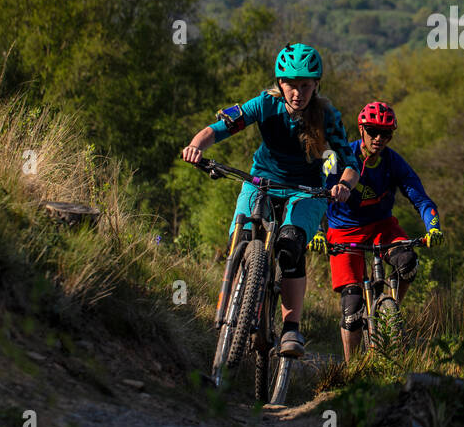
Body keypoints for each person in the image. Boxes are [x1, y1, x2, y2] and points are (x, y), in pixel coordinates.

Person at [181, 43, 359, 358]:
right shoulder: (264, 104)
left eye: (305, 85)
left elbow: (350, 162)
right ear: (280, 83)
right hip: (260, 182)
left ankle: (292, 329)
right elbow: (221, 128)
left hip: (306, 190)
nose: (297, 92)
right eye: (291, 84)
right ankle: (230, 305)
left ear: (316, 84)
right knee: (243, 233)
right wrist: (196, 146)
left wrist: (343, 185)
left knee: (290, 245)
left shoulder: (327, 115)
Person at [312, 101, 443, 361]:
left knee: (408, 261)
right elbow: (317, 195)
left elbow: (422, 200)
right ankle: (352, 368)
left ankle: (390, 313)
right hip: (343, 231)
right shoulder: (338, 157)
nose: (379, 138)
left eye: (386, 133)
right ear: (361, 129)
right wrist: (317, 230)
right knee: (352, 307)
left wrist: (433, 226)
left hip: (382, 227)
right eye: (372, 130)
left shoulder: (394, 163)